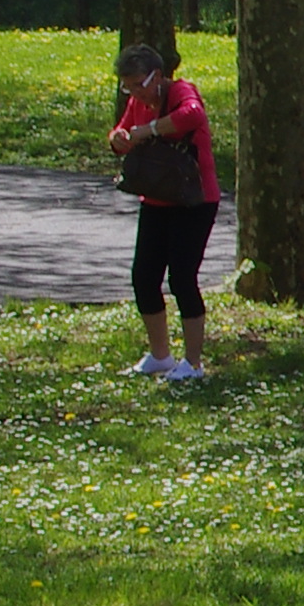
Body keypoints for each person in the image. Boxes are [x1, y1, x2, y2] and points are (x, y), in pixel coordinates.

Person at [109, 42, 219, 382]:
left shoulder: (181, 91)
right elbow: (120, 133)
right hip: (156, 199)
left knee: (182, 278)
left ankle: (193, 363)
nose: (134, 93)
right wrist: (119, 138)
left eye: (138, 84)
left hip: (194, 201)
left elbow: (193, 115)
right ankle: (160, 356)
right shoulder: (136, 103)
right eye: (127, 87)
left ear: (156, 76)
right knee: (144, 277)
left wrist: (151, 129)